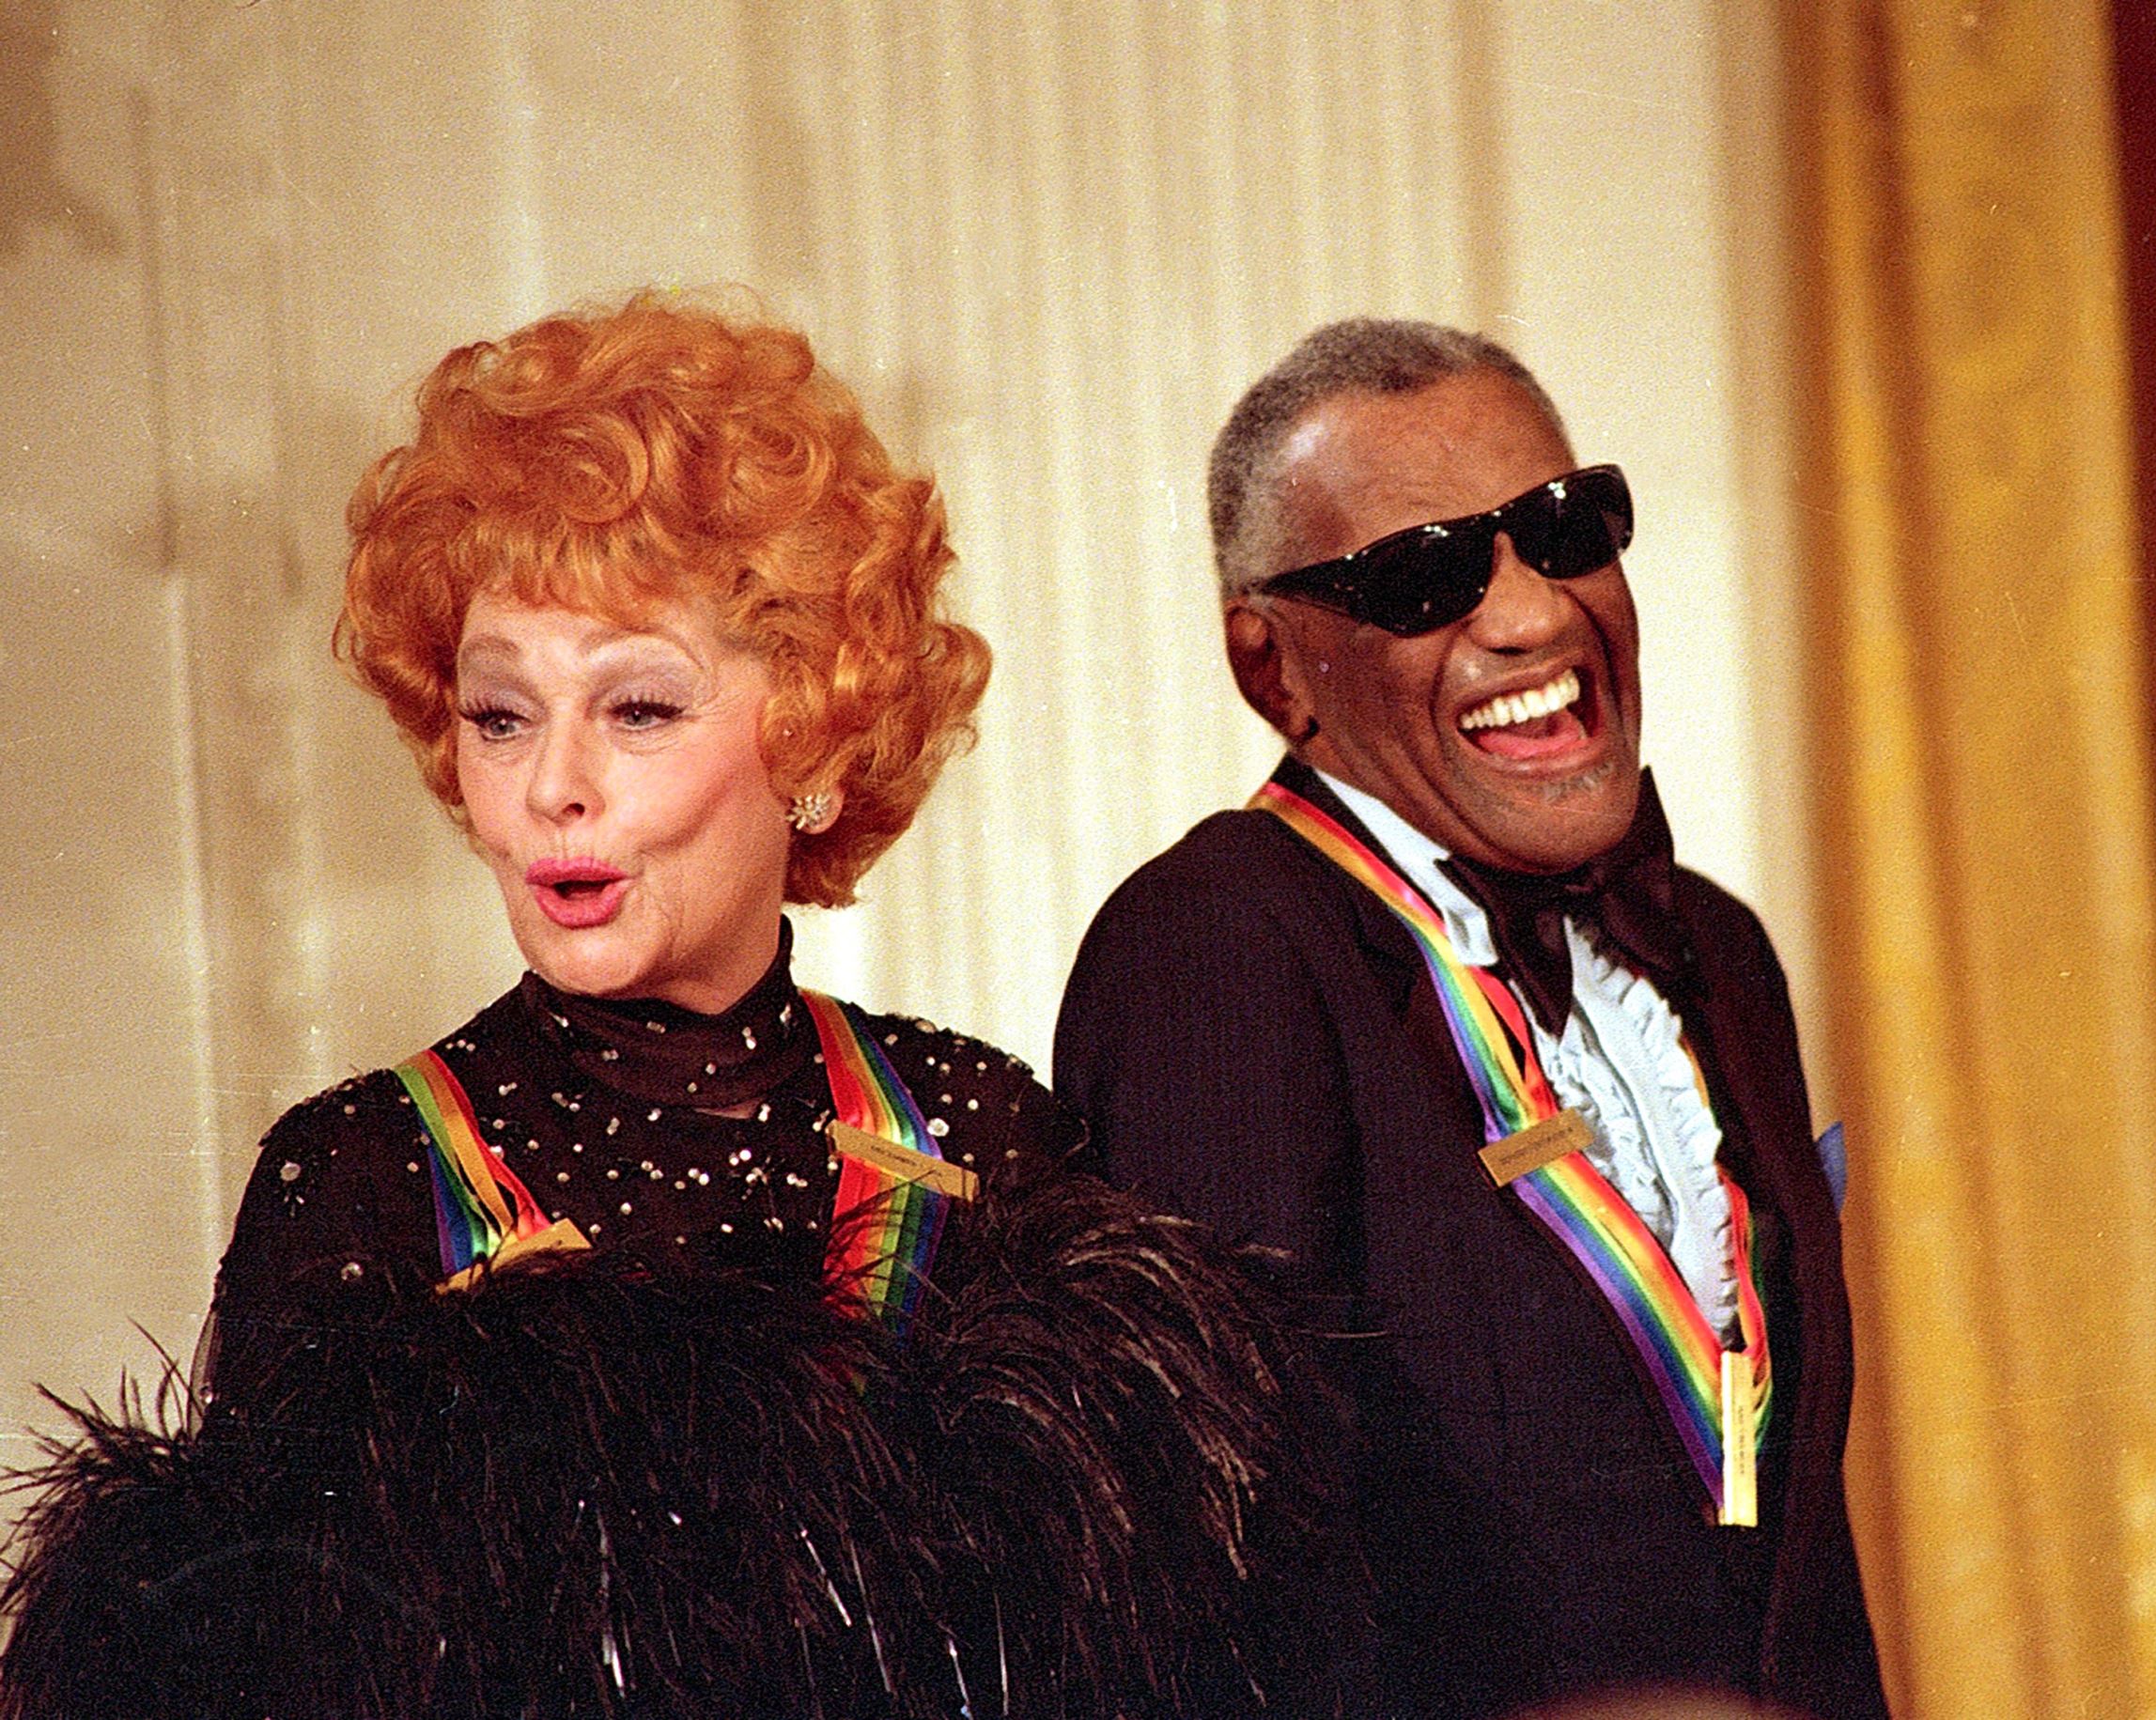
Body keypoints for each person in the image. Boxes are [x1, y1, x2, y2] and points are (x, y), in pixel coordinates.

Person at [1, 295, 1338, 1720]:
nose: (550, 786)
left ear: (812, 735)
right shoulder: (362, 1174)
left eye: (637, 709)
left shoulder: (981, 1129)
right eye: (499, 715)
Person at [1055, 319, 1888, 1720]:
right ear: (1271, 671)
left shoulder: (1714, 947)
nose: (1531, 615)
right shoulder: (1213, 948)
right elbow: (1222, 1601)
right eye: (1421, 575)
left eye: (1564, 529)